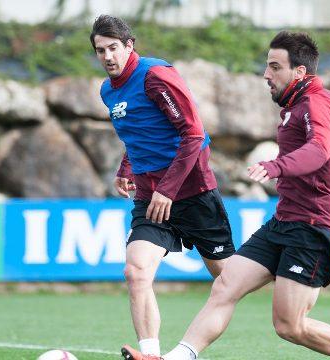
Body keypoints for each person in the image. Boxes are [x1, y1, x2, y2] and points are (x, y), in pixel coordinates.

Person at [121, 31, 330, 360]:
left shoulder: (317, 104)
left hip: (312, 228)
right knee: (225, 286)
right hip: (284, 222)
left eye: (275, 67)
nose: (266, 74)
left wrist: (278, 166)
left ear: (299, 73)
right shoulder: (303, 106)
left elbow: (319, 150)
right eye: (267, 66)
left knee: (290, 326)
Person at [91, 15, 236, 358]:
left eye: (114, 48)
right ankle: (151, 354)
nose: (108, 56)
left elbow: (193, 134)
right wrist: (126, 168)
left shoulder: (156, 75)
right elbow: (138, 135)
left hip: (192, 191)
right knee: (135, 270)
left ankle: (288, 277)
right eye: (100, 50)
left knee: (231, 280)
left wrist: (168, 189)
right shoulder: (106, 91)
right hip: (150, 196)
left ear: (130, 46)